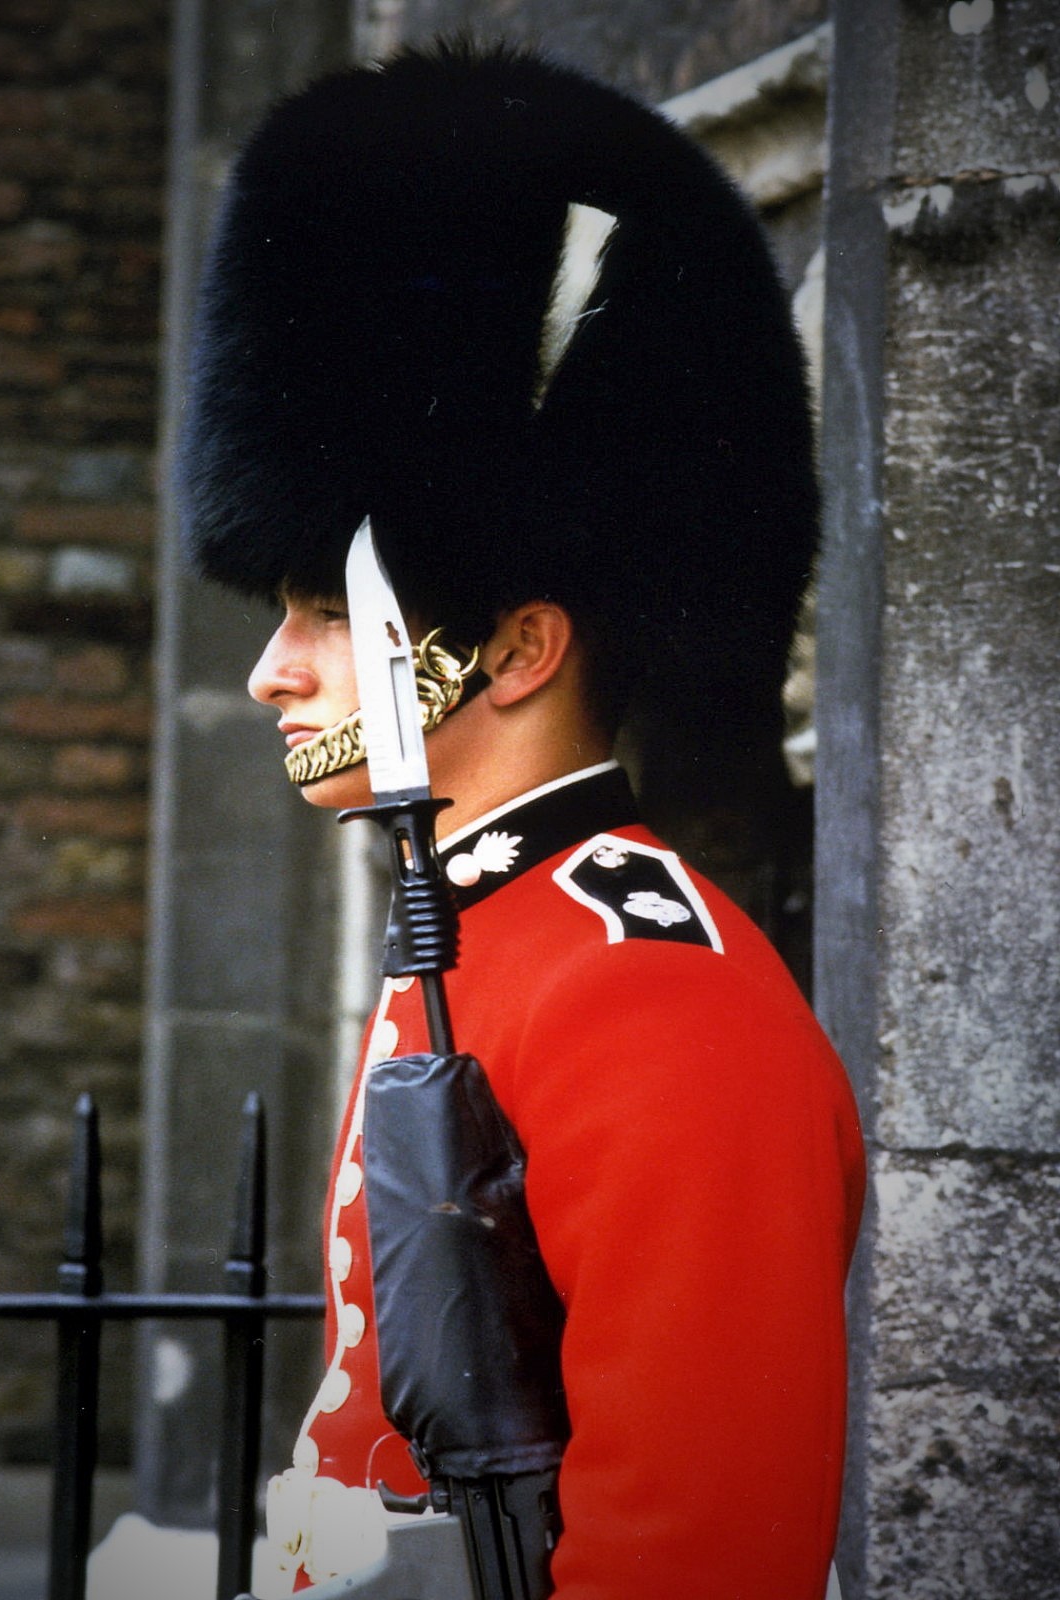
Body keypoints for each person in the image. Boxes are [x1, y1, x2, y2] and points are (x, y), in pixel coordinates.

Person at [179, 40, 866, 1599]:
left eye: (318, 609)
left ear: (514, 644)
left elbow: (697, 1548)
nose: (271, 672)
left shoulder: (650, 986)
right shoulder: (481, 937)